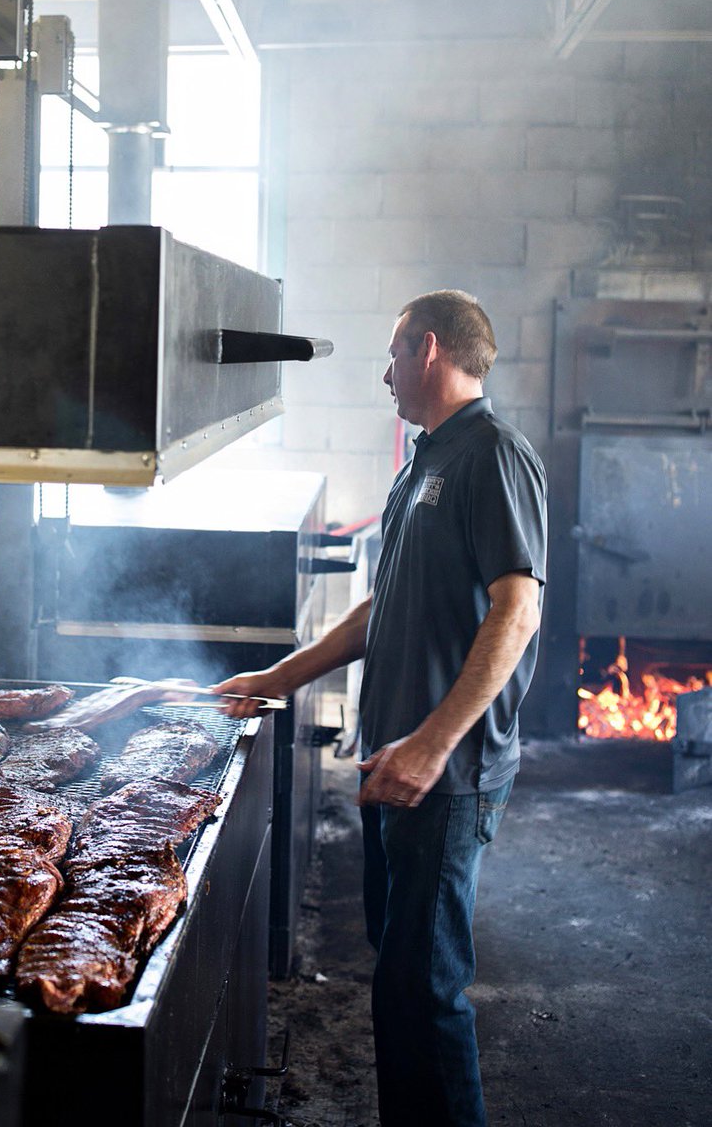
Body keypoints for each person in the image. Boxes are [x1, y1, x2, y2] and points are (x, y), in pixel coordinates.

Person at [215, 290, 547, 1127]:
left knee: (426, 990)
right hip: (396, 763)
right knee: (398, 977)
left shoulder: (492, 455)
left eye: (394, 354)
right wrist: (277, 678)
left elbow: (517, 609)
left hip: (446, 771)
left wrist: (433, 747)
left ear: (428, 350)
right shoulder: (424, 460)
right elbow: (381, 607)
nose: (386, 374)